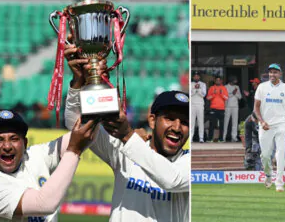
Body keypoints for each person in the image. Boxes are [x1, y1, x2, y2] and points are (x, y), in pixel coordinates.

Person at [63, 43, 190, 221]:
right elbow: (74, 123)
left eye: (185, 122)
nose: (177, 128)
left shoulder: (190, 161)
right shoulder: (125, 149)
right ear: (152, 120)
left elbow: (171, 180)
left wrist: (128, 136)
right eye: (169, 118)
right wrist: (78, 82)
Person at [0, 109, 97, 221]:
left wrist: (101, 113)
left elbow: (83, 133)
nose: (7, 146)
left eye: (14, 139)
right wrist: (74, 151)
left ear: (25, 143)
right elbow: (44, 204)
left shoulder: (34, 156)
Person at [254, 63, 285, 192]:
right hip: (265, 125)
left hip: (281, 123)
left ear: (280, 74)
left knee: (280, 153)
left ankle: (279, 182)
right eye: (270, 72)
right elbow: (256, 107)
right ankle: (268, 174)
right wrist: (262, 121)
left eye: (275, 72)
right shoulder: (262, 87)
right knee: (265, 155)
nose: (272, 74)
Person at [206, 76, 228, 142]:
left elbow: (226, 98)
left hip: (221, 108)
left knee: (221, 125)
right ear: (215, 81)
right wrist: (213, 94)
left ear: (221, 81)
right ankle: (210, 139)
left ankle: (221, 139)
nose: (218, 81)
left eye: (219, 80)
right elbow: (208, 98)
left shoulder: (224, 88)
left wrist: (221, 94)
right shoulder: (212, 88)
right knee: (212, 124)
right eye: (217, 80)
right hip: (213, 108)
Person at [223, 76, 242, 142]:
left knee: (235, 122)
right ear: (231, 80)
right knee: (226, 122)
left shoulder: (237, 87)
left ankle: (234, 137)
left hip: (235, 106)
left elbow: (240, 97)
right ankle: (223, 137)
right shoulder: (225, 87)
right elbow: (225, 97)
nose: (235, 82)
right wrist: (232, 93)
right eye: (234, 80)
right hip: (227, 106)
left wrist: (235, 94)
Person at [191, 71, 206, 143]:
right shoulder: (190, 84)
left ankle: (201, 138)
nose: (196, 77)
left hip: (200, 104)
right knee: (192, 122)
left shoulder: (203, 84)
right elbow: (190, 94)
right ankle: (191, 138)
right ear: (193, 77)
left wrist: (199, 89)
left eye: (197, 76)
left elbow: (203, 94)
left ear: (199, 77)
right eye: (195, 76)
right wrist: (194, 89)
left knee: (201, 121)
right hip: (192, 104)